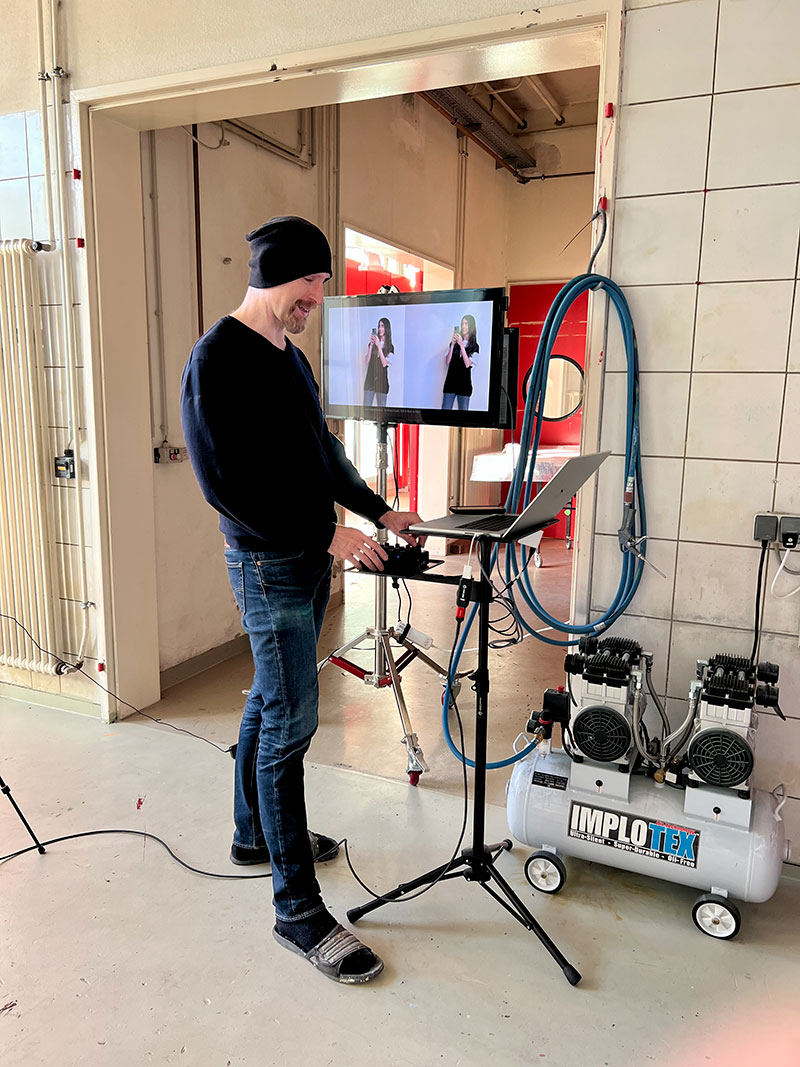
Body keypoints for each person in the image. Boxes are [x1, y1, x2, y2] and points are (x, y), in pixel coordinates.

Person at [180, 216, 423, 984]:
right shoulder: (217, 359)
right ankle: (297, 909)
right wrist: (324, 536)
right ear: (278, 276)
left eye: (320, 286)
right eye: (313, 284)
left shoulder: (289, 358)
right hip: (267, 565)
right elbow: (226, 485)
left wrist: (376, 508)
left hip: (304, 559)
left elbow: (322, 452)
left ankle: (254, 837)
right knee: (291, 723)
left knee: (267, 702)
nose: (318, 298)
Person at [441, 314, 478, 411]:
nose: (463, 327)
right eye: (462, 324)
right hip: (450, 383)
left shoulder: (474, 346)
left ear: (471, 326)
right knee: (444, 413)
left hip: (464, 385)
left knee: (463, 415)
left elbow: (467, 364)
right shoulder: (455, 343)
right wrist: (452, 345)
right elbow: (447, 361)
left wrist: (462, 345)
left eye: (466, 324)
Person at [363, 316, 393, 407]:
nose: (380, 328)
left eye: (382, 326)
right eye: (379, 326)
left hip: (382, 383)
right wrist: (371, 346)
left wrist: (379, 346)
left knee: (382, 411)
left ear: (386, 328)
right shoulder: (372, 345)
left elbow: (384, 363)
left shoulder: (390, 347)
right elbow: (367, 361)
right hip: (370, 381)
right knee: (366, 410)